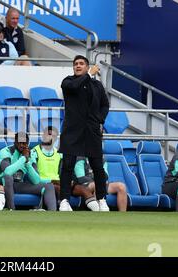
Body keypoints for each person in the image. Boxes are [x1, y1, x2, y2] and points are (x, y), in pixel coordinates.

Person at [58, 55, 110, 212]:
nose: (78, 66)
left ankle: (101, 199)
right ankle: (64, 200)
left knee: (97, 167)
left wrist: (99, 120)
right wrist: (88, 75)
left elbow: (105, 105)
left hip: (91, 131)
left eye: (81, 64)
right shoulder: (68, 82)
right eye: (76, 64)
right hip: (72, 131)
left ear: (87, 66)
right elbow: (75, 87)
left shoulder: (97, 85)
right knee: (67, 166)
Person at [0, 132, 57, 211]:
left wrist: (27, 162)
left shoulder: (30, 154)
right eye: (19, 143)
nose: (21, 145)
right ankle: (11, 209)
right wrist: (23, 158)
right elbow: (7, 172)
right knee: (8, 178)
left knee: (49, 186)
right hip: (2, 184)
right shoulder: (5, 152)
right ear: (15, 142)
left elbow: (36, 180)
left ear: (27, 144)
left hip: (18, 185)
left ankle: (52, 213)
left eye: (24, 143)